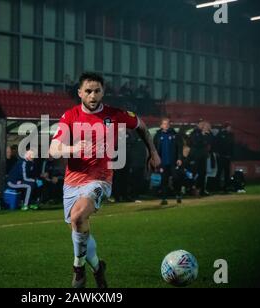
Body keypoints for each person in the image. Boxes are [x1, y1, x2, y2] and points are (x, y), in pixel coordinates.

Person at [49, 72, 161, 288]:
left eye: (97, 91)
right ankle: (98, 268)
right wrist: (73, 148)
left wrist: (152, 151)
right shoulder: (70, 116)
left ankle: (78, 270)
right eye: (88, 91)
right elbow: (54, 149)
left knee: (79, 216)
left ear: (103, 92)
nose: (92, 95)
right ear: (80, 92)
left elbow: (141, 126)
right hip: (72, 182)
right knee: (78, 226)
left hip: (100, 179)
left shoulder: (115, 115)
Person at [153, 118, 184, 206]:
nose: (165, 125)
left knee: (176, 179)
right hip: (163, 162)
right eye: (164, 124)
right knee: (164, 180)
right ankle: (164, 198)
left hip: (173, 162)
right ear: (161, 125)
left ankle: (178, 194)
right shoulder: (158, 135)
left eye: (167, 124)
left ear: (170, 125)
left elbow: (179, 147)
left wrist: (179, 158)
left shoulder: (175, 134)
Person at [189, 119, 211, 197]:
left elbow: (208, 143)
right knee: (195, 173)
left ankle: (201, 190)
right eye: (201, 123)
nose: (202, 125)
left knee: (203, 173)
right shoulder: (194, 133)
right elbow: (195, 143)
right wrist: (202, 135)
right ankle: (193, 190)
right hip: (195, 157)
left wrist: (205, 135)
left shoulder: (206, 133)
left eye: (203, 123)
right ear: (197, 124)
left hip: (203, 156)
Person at [215, 122, 234, 193]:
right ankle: (217, 187)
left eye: (230, 127)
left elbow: (232, 146)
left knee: (227, 172)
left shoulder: (231, 135)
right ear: (226, 127)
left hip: (228, 157)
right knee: (219, 171)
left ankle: (226, 187)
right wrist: (218, 153)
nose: (230, 128)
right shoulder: (220, 134)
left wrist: (231, 155)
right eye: (229, 127)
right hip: (221, 156)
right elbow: (216, 144)